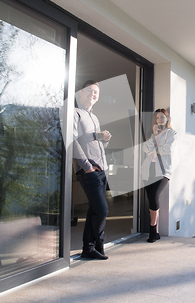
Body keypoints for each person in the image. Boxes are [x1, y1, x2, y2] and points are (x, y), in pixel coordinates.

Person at [73, 80, 112, 259]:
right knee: (102, 210)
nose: (93, 94)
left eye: (96, 92)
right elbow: (72, 142)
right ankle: (98, 243)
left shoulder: (94, 117)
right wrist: (87, 167)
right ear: (80, 93)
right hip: (88, 170)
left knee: (94, 209)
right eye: (89, 91)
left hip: (101, 169)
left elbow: (91, 141)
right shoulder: (75, 113)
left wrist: (104, 138)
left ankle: (88, 248)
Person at [142, 109, 176, 243]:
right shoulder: (153, 134)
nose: (160, 120)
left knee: (154, 195)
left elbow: (168, 150)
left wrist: (153, 150)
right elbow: (145, 149)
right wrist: (154, 135)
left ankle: (152, 229)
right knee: (150, 198)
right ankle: (155, 232)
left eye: (162, 117)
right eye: (157, 118)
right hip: (148, 170)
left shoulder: (171, 133)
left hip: (162, 171)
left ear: (167, 119)